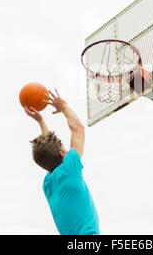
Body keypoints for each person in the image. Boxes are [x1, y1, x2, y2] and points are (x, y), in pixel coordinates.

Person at [23, 89, 99, 235]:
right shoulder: (69, 169)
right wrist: (64, 107)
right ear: (62, 154)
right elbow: (78, 129)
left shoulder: (48, 184)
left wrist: (41, 121)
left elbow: (48, 154)